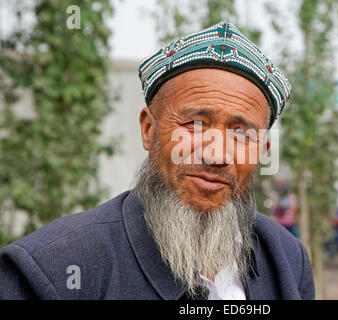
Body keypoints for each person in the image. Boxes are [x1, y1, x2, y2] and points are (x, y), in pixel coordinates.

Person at [0, 20, 314, 300]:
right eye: (194, 125)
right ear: (149, 129)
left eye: (242, 134)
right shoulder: (52, 269)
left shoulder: (286, 259)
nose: (217, 155)